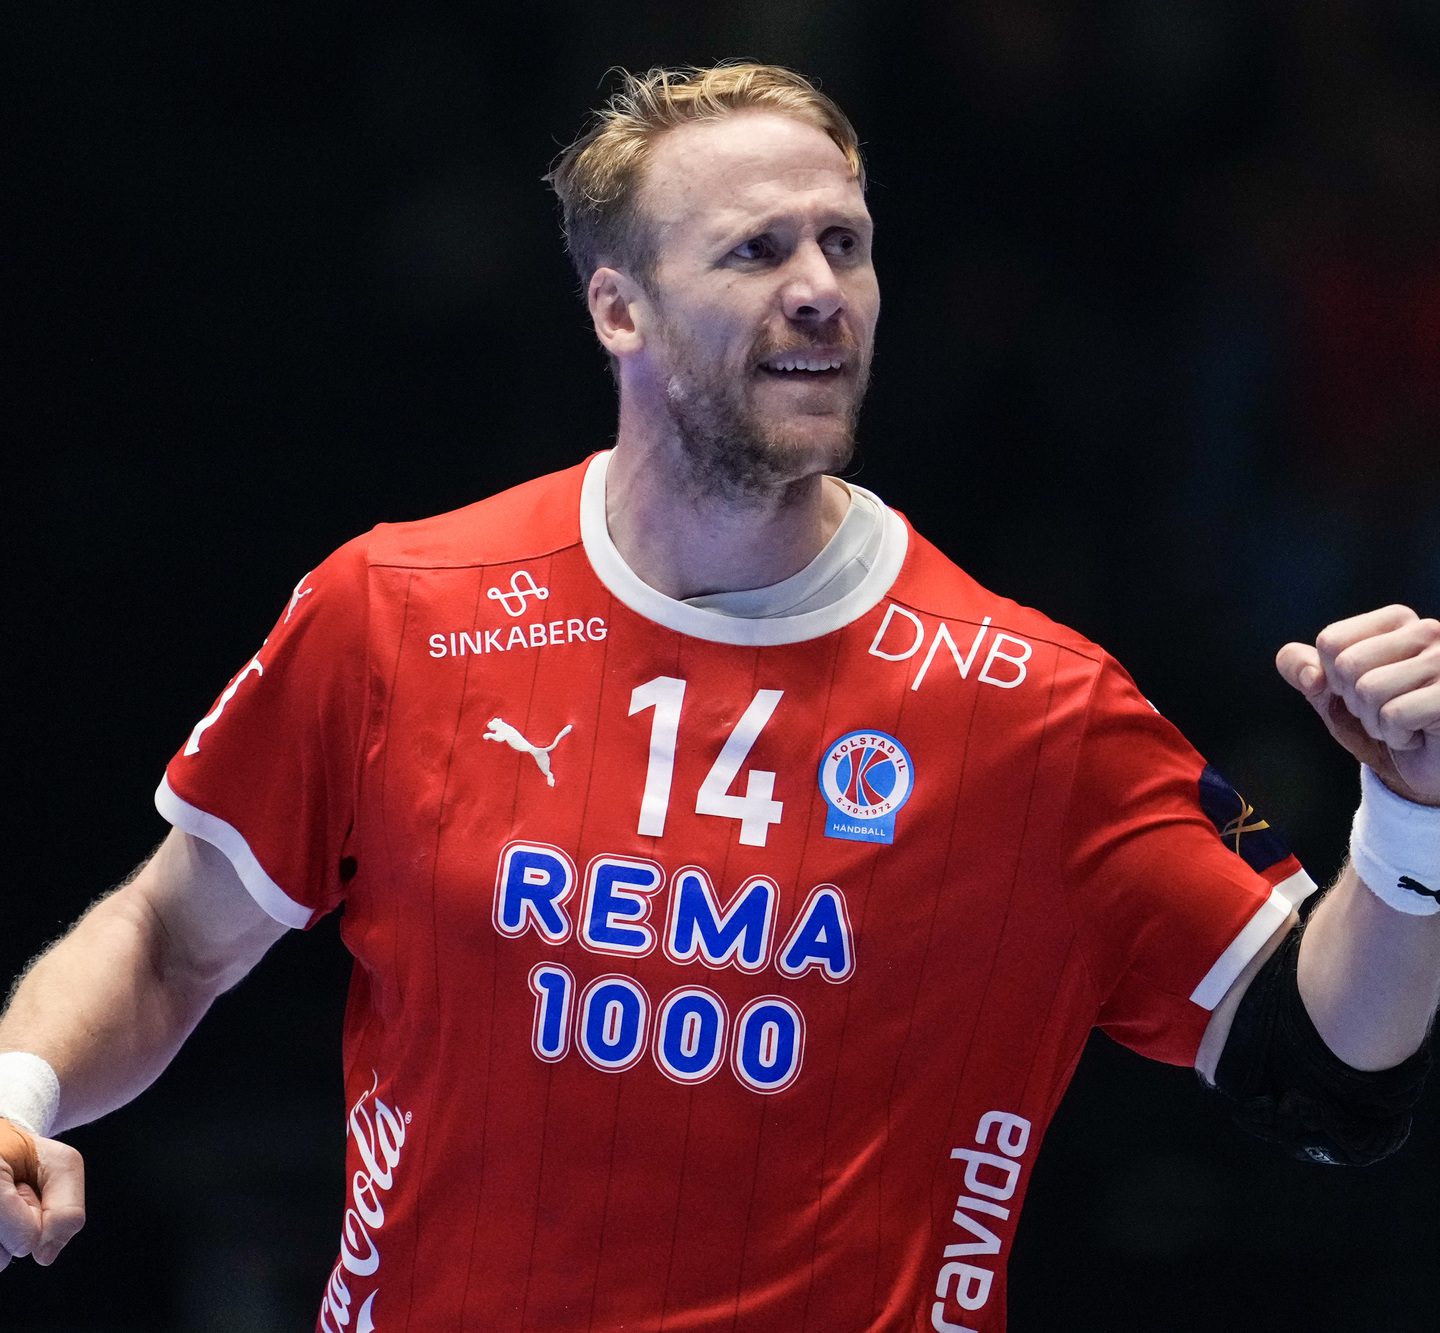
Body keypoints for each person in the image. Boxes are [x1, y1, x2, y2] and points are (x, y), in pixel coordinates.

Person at [2, 62, 1438, 1333]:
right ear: (617, 307)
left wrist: (1412, 820)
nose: (820, 287)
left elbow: (1324, 1070)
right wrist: (20, 1095)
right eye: (756, 249)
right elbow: (171, 942)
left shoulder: (1029, 702)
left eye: (845, 243)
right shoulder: (398, 610)